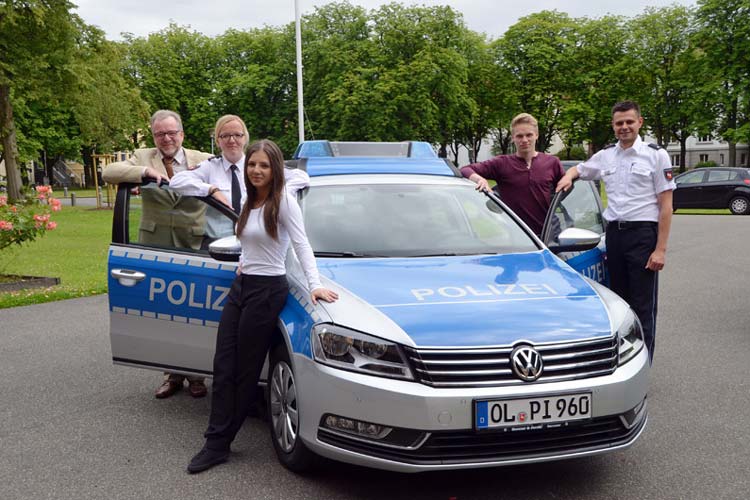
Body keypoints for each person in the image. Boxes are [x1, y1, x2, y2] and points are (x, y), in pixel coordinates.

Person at [187, 139, 339, 474]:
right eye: (252, 164)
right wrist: (244, 260)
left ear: (275, 169)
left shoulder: (283, 200)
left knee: (243, 370)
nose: (256, 170)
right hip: (242, 286)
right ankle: (218, 435)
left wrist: (315, 285)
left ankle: (218, 444)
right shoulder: (249, 200)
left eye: (264, 166)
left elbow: (301, 244)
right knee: (223, 365)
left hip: (268, 291)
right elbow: (251, 242)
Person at [102, 109, 211, 399]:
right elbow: (108, 172)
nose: (167, 138)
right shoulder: (142, 157)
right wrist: (144, 173)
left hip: (194, 247)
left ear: (182, 134)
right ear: (153, 136)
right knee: (163, 314)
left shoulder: (202, 159)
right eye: (160, 133)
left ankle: (197, 376)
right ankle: (171, 375)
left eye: (172, 132)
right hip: (155, 248)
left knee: (193, 313)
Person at [556, 100, 675, 363]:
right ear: (613, 125)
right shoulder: (606, 155)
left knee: (643, 306)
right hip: (615, 237)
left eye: (629, 122)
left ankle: (643, 366)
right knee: (619, 303)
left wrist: (660, 249)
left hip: (643, 235)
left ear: (639, 123)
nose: (624, 127)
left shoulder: (656, 155)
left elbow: (666, 207)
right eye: (619, 123)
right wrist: (568, 176)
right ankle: (622, 362)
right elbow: (580, 169)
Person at [170, 115, 309, 249]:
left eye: (237, 135)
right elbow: (176, 182)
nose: (232, 140)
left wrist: (281, 195)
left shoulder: (257, 166)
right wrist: (211, 190)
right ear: (218, 141)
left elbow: (300, 177)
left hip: (255, 245)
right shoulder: (210, 167)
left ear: (245, 139)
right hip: (216, 245)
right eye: (225, 136)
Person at [460, 113, 564, 235]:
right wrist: (479, 180)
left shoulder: (552, 163)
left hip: (548, 235)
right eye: (519, 136)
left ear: (536, 135)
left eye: (529, 135)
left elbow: (566, 190)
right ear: (513, 138)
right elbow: (465, 169)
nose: (524, 140)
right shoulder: (502, 163)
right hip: (516, 237)